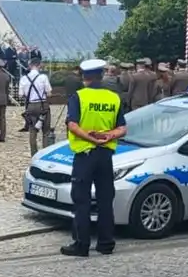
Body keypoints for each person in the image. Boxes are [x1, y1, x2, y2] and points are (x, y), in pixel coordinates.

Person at [61, 59, 127, 258]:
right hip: (106, 154)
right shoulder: (113, 98)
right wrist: (109, 136)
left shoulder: (78, 97)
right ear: (101, 75)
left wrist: (90, 138)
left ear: (84, 77)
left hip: (85, 154)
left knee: (81, 200)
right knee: (105, 198)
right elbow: (122, 128)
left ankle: (81, 244)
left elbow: (72, 125)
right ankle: (106, 243)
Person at [19, 56, 51, 154]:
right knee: (46, 131)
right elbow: (49, 93)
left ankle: (34, 153)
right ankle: (45, 153)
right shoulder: (43, 77)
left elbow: (21, 95)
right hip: (42, 105)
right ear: (39, 65)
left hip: (30, 105)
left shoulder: (24, 78)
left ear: (30, 65)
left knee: (32, 130)